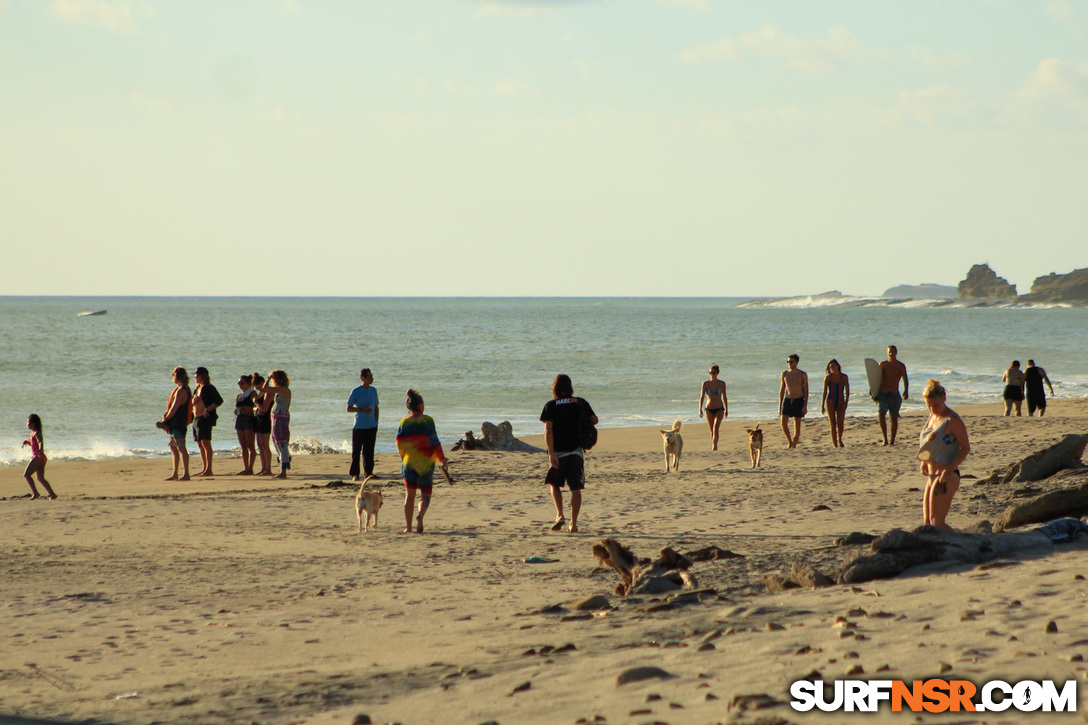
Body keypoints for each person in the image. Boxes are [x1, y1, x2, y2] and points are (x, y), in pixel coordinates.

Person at [540, 374, 597, 533]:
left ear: (555, 388)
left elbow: (548, 430)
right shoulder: (580, 402)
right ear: (570, 387)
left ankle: (559, 515)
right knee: (576, 488)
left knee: (554, 484)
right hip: (577, 452)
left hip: (559, 452)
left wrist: (551, 453)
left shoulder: (550, 405)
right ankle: (573, 523)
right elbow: (595, 419)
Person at [918, 379, 970, 530]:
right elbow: (929, 442)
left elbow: (965, 448)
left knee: (937, 523)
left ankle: (961, 543)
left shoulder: (952, 420)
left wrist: (950, 468)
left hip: (947, 474)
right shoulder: (932, 416)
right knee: (928, 523)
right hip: (932, 475)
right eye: (929, 405)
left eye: (936, 405)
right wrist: (924, 460)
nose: (933, 409)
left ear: (944, 398)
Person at [396, 388, 448, 534]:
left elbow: (399, 442)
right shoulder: (428, 421)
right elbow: (435, 442)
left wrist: (404, 456)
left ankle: (408, 526)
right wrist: (442, 459)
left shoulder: (404, 422)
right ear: (420, 405)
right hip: (426, 463)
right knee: (425, 494)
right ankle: (420, 515)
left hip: (409, 462)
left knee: (409, 495)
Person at [347, 368, 380, 481]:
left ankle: (369, 473)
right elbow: (349, 408)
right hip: (359, 426)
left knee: (369, 451)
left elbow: (376, 407)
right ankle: (355, 474)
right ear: (363, 378)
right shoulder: (356, 391)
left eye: (372, 376)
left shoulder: (373, 390)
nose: (372, 378)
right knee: (356, 451)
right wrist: (361, 409)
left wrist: (376, 422)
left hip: (372, 425)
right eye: (370, 377)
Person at [160, 366, 192, 481]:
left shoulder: (182, 390)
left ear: (177, 376)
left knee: (181, 447)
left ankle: (186, 474)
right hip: (175, 422)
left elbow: (174, 408)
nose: (172, 377)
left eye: (173, 375)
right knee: (173, 447)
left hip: (178, 422)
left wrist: (165, 419)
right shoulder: (183, 389)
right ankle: (175, 473)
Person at [192, 367, 224, 477]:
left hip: (204, 418)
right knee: (200, 444)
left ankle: (209, 469)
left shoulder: (209, 388)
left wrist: (208, 409)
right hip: (196, 418)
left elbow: (219, 400)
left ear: (203, 375)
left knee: (206, 443)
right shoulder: (197, 389)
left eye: (197, 375)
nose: (195, 377)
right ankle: (204, 467)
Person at [877, 345, 909, 446]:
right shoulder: (882, 364)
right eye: (889, 351)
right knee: (881, 415)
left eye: (893, 351)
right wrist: (873, 392)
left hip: (894, 393)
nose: (891, 353)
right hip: (882, 393)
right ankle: (885, 439)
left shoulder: (900, 366)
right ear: (887, 352)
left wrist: (906, 391)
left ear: (896, 352)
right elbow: (875, 379)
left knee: (894, 417)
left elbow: (905, 378)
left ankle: (892, 441)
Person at [22, 414, 57, 500]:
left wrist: (41, 449)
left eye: (28, 422)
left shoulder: (37, 433)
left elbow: (40, 442)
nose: (27, 423)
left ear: (33, 423)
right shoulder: (32, 433)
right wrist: (28, 443)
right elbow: (34, 444)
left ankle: (35, 493)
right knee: (40, 478)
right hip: (41, 457)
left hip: (38, 457)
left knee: (27, 475)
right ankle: (52, 494)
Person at [778, 354, 808, 448]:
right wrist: (780, 405)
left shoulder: (802, 374)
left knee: (797, 424)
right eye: (788, 362)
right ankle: (790, 441)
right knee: (783, 423)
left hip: (798, 400)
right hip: (787, 400)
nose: (789, 363)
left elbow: (806, 390)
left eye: (791, 361)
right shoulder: (785, 374)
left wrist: (805, 405)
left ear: (796, 362)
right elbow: (782, 390)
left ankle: (794, 444)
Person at [266, 370, 292, 479]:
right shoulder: (282, 390)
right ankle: (283, 463)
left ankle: (284, 469)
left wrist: (267, 379)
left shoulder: (282, 389)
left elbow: (265, 388)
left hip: (281, 418)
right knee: (277, 441)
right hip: (278, 417)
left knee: (281, 442)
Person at [820, 359, 850, 448]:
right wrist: (822, 405)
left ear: (837, 366)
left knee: (840, 423)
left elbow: (847, 390)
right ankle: (835, 444)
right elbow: (825, 392)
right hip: (830, 402)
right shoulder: (828, 378)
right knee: (832, 424)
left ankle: (839, 439)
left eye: (833, 366)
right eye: (830, 367)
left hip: (841, 402)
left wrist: (846, 402)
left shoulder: (843, 377)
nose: (831, 368)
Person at [698, 364, 728, 451]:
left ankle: (714, 447)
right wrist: (700, 409)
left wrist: (726, 409)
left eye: (714, 372)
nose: (712, 374)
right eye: (710, 372)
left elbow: (725, 397)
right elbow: (702, 396)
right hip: (708, 409)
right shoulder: (705, 384)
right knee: (711, 429)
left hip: (719, 408)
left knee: (716, 427)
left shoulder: (722, 384)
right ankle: (713, 446)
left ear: (717, 373)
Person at [234, 374, 258, 475]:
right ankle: (246, 467)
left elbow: (256, 405)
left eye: (242, 383)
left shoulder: (252, 393)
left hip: (249, 419)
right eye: (239, 383)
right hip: (240, 419)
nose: (240, 385)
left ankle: (250, 468)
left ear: (248, 383)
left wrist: (249, 410)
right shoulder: (239, 396)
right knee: (243, 446)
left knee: (250, 445)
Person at [251, 372, 273, 476]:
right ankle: (263, 467)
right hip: (258, 418)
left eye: (259, 387)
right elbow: (257, 409)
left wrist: (256, 403)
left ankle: (268, 468)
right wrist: (256, 409)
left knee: (265, 444)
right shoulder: (260, 393)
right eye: (256, 388)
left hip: (266, 419)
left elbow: (264, 408)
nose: (258, 389)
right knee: (260, 444)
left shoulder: (268, 392)